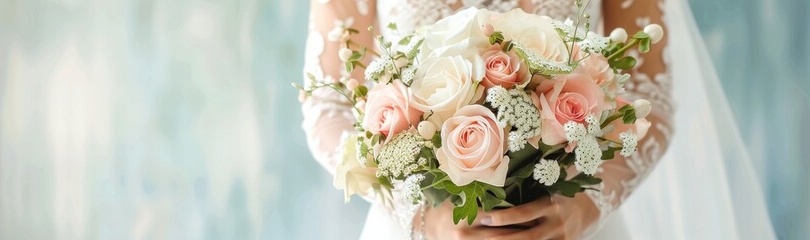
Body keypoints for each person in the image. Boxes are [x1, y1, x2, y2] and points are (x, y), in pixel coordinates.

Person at [300, 0, 775, 239]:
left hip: (570, 228)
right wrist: (421, 214)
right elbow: (329, 106)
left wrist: (587, 204)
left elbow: (650, 93)